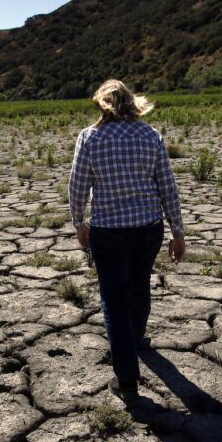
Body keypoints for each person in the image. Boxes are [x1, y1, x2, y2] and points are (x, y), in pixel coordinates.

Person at [69, 79, 186, 401]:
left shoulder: (90, 137)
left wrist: (79, 223)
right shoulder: (150, 136)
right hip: (148, 228)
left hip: (109, 231)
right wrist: (177, 232)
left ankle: (127, 377)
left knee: (114, 301)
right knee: (140, 286)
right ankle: (136, 340)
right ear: (132, 103)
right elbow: (167, 187)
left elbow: (77, 186)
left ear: (101, 104)